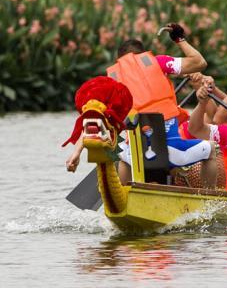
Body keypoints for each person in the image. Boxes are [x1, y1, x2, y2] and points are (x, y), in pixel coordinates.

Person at [66, 23, 219, 188]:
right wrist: (179, 39)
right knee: (212, 149)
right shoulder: (158, 62)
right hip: (170, 152)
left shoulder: (112, 83)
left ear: (119, 61)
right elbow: (199, 62)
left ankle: (127, 196)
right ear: (143, 54)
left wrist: (77, 152)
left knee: (124, 155)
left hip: (135, 156)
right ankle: (207, 199)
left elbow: (94, 119)